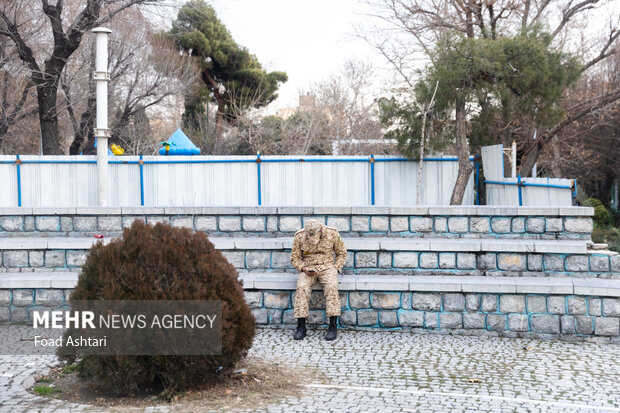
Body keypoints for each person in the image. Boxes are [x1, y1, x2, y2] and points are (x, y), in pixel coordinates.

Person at [290, 219, 347, 340]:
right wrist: (303, 268)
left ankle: (332, 326)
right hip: (308, 268)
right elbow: (294, 258)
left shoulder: (332, 233)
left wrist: (336, 268)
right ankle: (301, 327)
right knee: (301, 288)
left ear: (320, 231)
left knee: (331, 287)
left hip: (327, 267)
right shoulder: (300, 236)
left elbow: (342, 253)